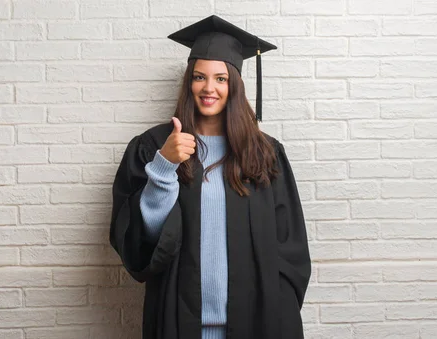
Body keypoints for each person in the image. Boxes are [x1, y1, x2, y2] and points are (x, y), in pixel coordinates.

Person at [109, 15, 311, 339]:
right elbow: (137, 241)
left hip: (255, 323)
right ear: (189, 82)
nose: (209, 88)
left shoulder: (264, 154)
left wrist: (278, 310)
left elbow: (290, 248)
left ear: (234, 84)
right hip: (179, 322)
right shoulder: (154, 147)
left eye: (220, 78)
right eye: (200, 77)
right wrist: (164, 165)